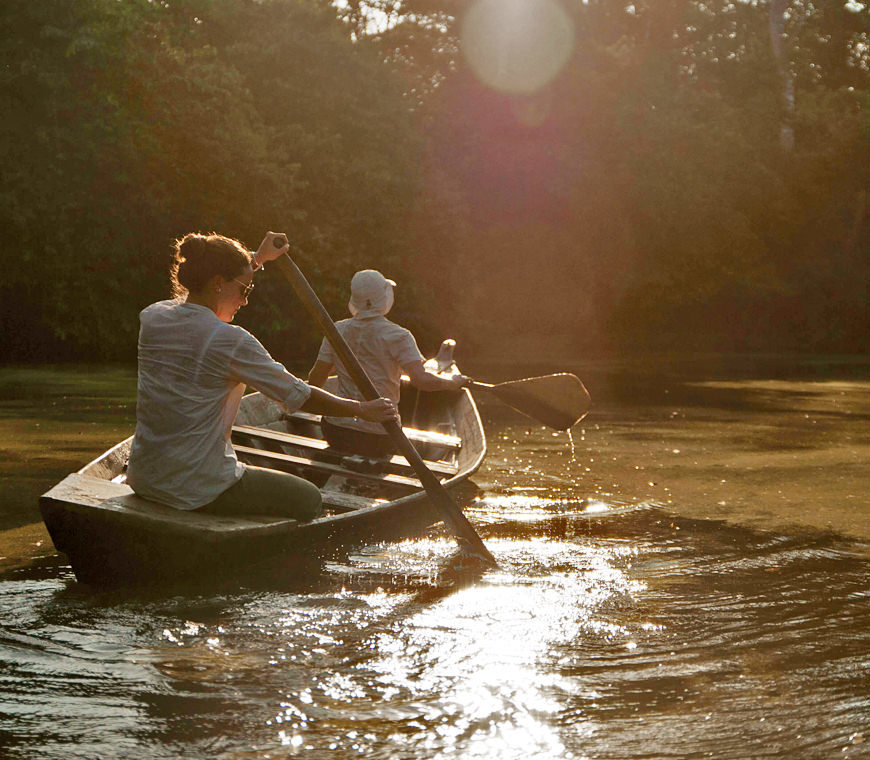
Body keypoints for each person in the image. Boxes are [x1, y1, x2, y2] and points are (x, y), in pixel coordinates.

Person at [125, 232, 398, 521]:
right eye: (245, 290)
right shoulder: (230, 341)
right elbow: (298, 394)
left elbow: (194, 297)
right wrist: (361, 410)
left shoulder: (153, 317)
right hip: (198, 487)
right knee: (309, 498)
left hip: (144, 477)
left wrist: (256, 260)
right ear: (218, 283)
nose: (244, 302)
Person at [307, 269, 469, 458]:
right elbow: (421, 381)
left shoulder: (337, 330)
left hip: (335, 432)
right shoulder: (399, 336)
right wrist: (452, 382)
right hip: (380, 437)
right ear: (383, 298)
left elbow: (315, 381)